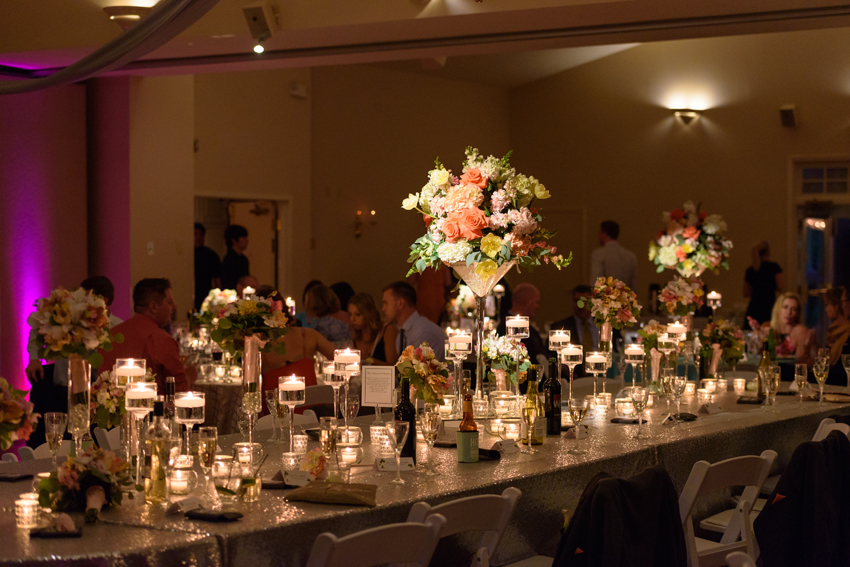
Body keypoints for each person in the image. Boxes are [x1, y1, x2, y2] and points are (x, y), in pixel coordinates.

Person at [99, 278, 193, 393]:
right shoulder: (162, 341)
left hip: (109, 409)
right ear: (153, 307)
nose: (174, 306)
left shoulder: (110, 336)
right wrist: (189, 378)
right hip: (151, 409)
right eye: (169, 302)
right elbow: (179, 394)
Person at [259, 288, 335, 414]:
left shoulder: (257, 345)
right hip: (312, 418)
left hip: (274, 421)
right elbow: (342, 361)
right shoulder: (309, 335)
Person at [381, 281, 446, 360]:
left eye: (386, 303)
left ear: (400, 303)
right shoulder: (402, 333)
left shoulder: (423, 332)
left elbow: (421, 369)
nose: (383, 308)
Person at [748, 292, 814, 364]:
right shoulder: (767, 326)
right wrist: (758, 332)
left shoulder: (800, 331)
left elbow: (800, 362)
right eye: (785, 307)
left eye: (794, 309)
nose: (789, 312)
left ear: (798, 312)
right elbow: (754, 352)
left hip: (789, 371)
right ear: (778, 309)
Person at [496, 282, 548, 369]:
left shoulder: (530, 327)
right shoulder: (506, 327)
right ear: (527, 302)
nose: (538, 307)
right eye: (536, 302)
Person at [551, 284, 597, 377]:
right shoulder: (560, 327)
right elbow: (551, 357)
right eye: (577, 301)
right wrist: (565, 369)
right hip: (573, 378)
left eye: (585, 301)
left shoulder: (603, 325)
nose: (580, 305)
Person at [348, 292, 399, 365]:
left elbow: (394, 367)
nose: (352, 319)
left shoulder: (388, 329)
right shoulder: (356, 335)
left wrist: (369, 361)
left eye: (357, 314)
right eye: (350, 314)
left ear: (368, 314)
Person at [590, 221, 638, 292]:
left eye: (600, 233)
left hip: (605, 300)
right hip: (624, 300)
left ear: (605, 234)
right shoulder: (631, 256)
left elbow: (595, 283)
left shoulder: (598, 254)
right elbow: (634, 286)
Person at [744, 241, 783, 325]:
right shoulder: (774, 268)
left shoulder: (751, 270)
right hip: (769, 305)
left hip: (754, 307)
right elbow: (780, 286)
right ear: (768, 252)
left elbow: (746, 292)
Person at [823, 287, 850, 386]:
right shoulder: (833, 328)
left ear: (837, 305)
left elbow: (838, 369)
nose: (826, 309)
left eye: (827, 305)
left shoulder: (847, 332)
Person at [193, 223, 221, 311]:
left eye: (201, 234)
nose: (198, 237)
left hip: (205, 292)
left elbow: (217, 278)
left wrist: (218, 296)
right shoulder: (188, 255)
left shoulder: (211, 255)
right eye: (195, 234)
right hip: (190, 290)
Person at [221, 224, 250, 290]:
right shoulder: (229, 260)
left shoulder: (243, 259)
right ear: (234, 240)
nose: (246, 240)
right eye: (243, 237)